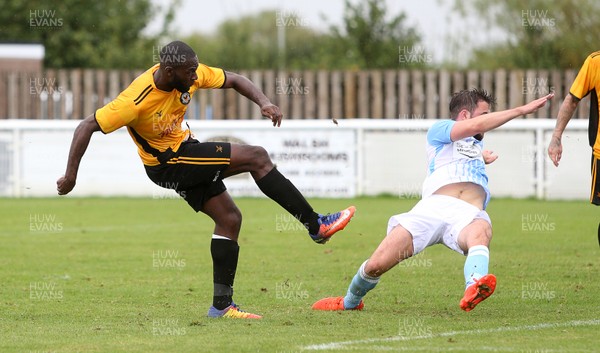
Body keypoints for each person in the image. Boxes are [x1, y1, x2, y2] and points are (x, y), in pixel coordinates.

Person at [56, 40, 355, 319]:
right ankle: (316, 225)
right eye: (190, 72)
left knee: (230, 219)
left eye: (196, 69)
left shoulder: (189, 74)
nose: (196, 76)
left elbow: (234, 79)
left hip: (183, 152)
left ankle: (222, 306)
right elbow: (86, 126)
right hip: (168, 164)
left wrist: (263, 102)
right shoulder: (134, 101)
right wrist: (71, 176)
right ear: (170, 72)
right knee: (257, 157)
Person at [312, 89, 554, 312]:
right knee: (376, 265)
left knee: (480, 232)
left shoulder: (475, 146)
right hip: (431, 210)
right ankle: (350, 302)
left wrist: (481, 156)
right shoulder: (439, 129)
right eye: (484, 113)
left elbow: (467, 146)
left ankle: (475, 286)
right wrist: (522, 110)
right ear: (465, 114)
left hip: (467, 213)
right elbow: (476, 126)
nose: (487, 120)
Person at [548, 50, 600, 206]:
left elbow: (572, 101)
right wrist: (556, 137)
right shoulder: (595, 62)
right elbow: (572, 100)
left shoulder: (595, 61)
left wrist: (556, 137)